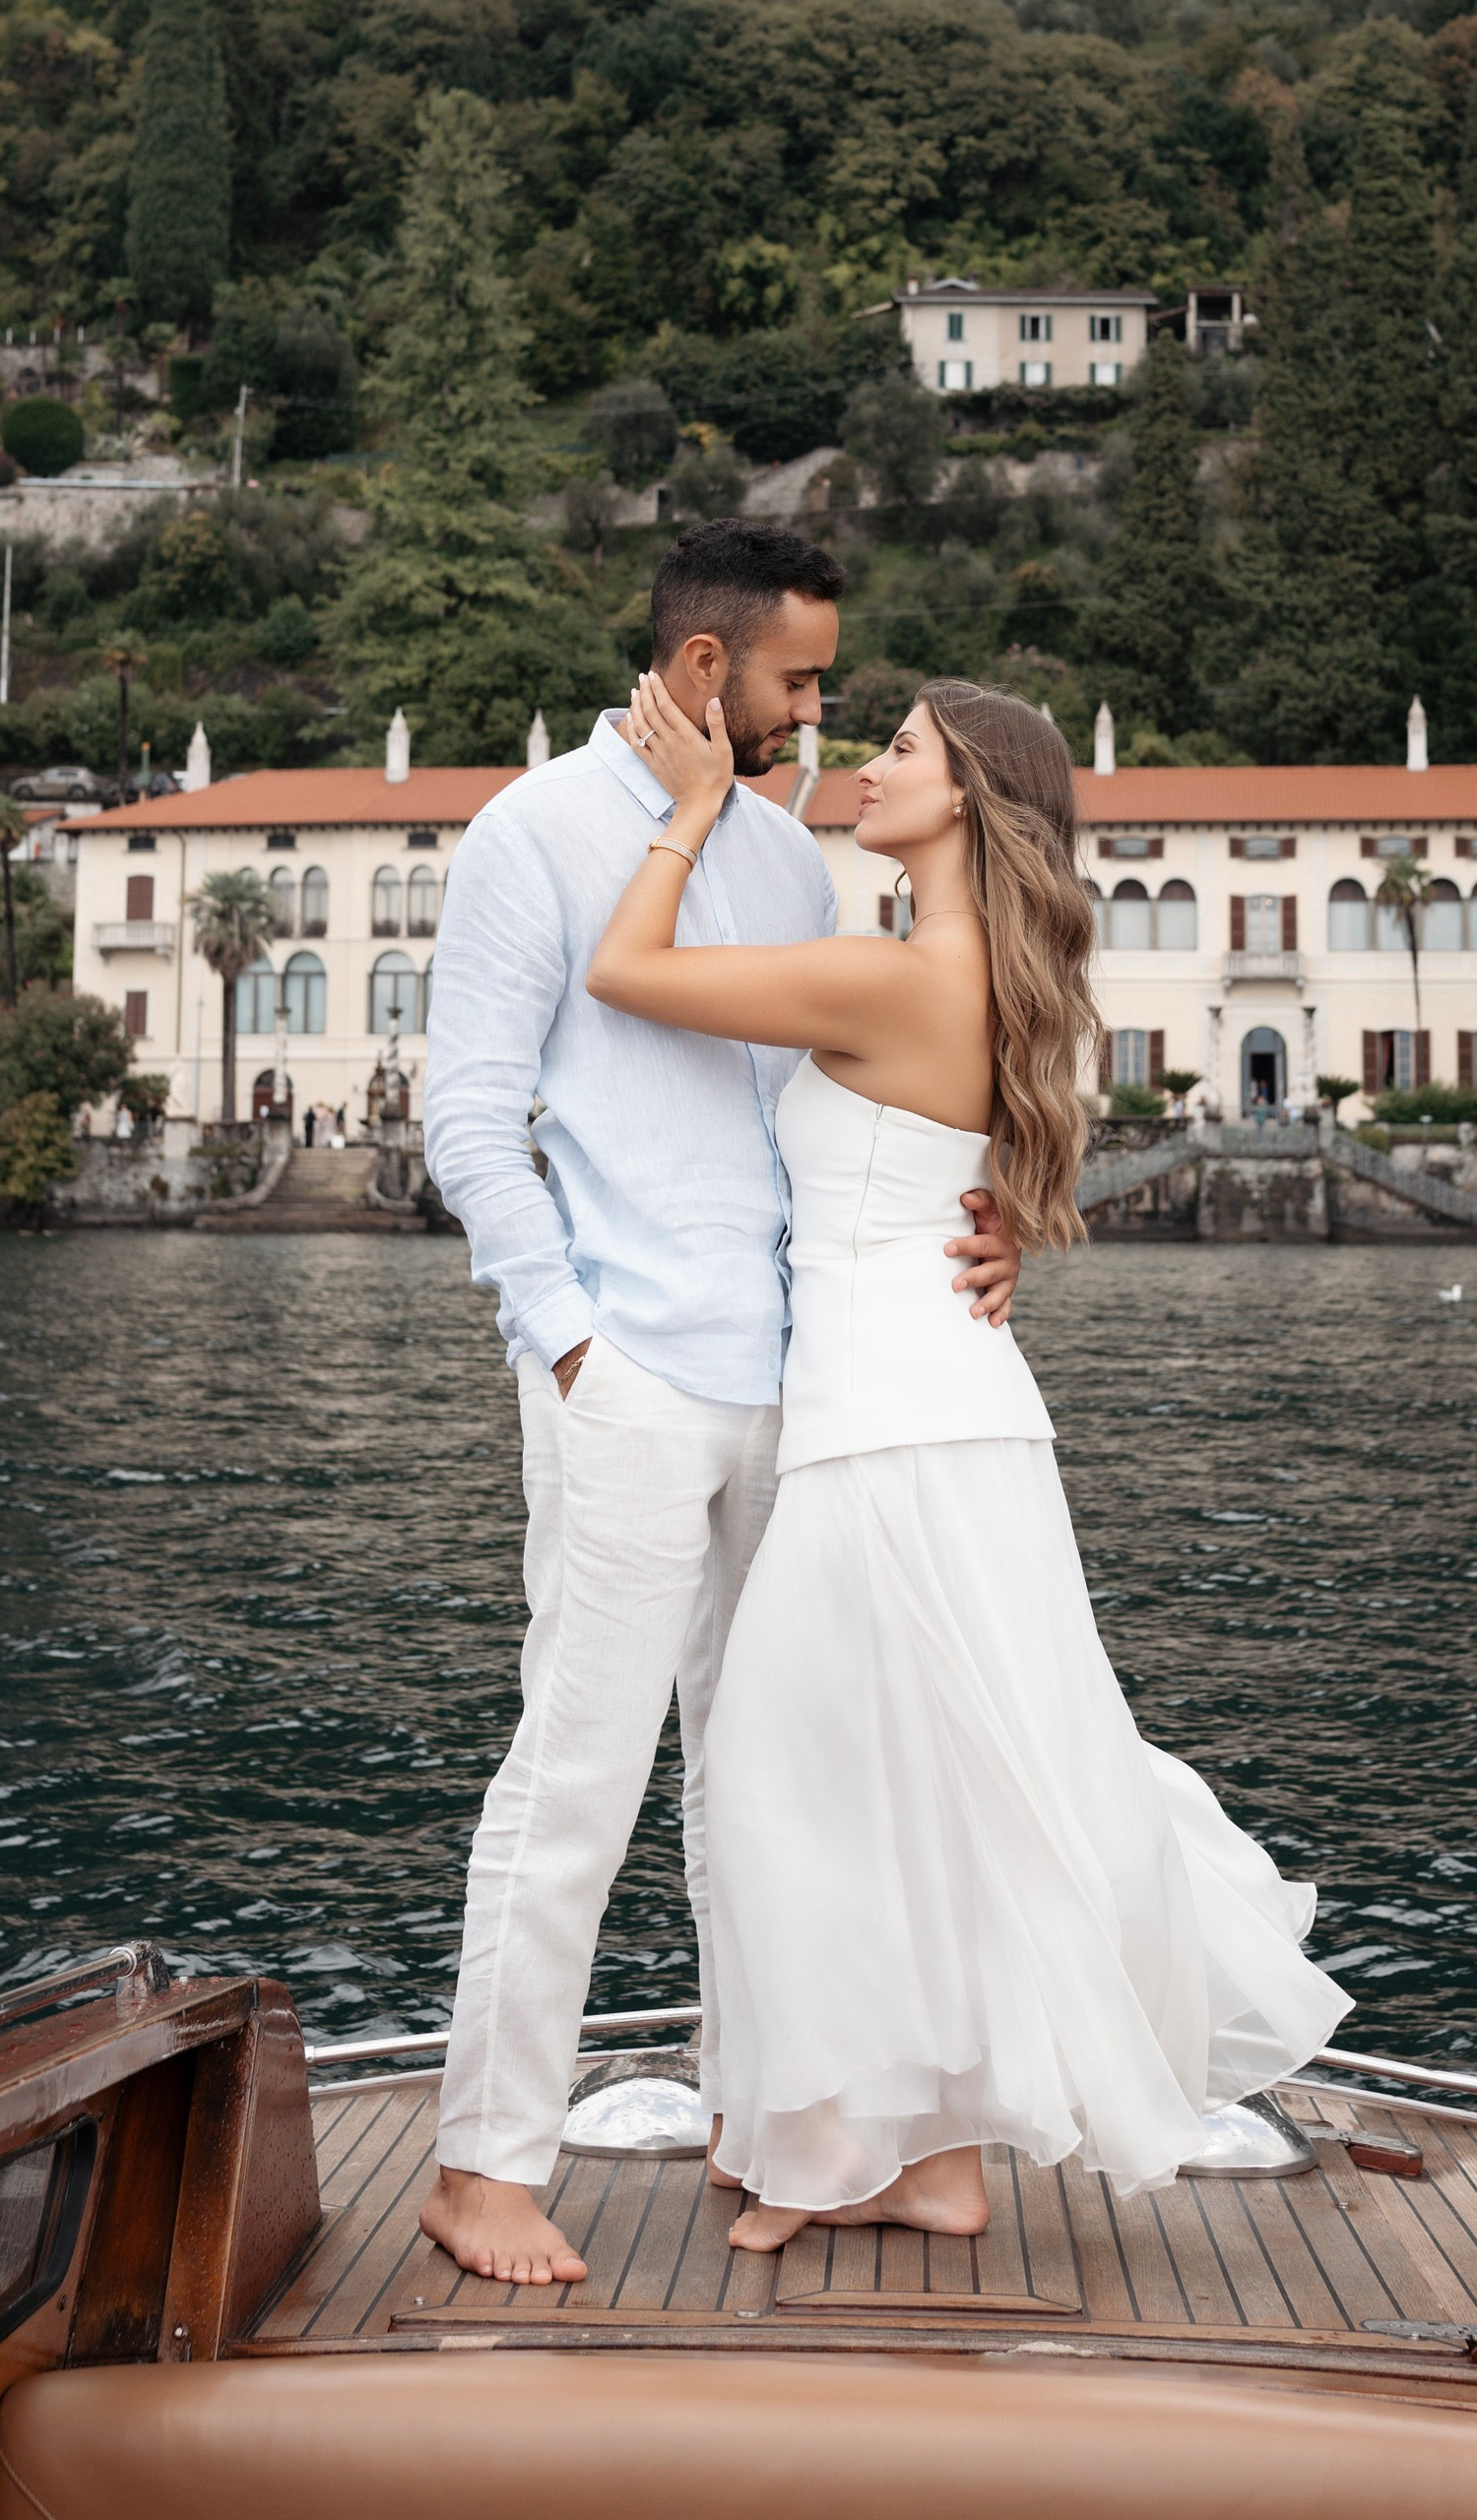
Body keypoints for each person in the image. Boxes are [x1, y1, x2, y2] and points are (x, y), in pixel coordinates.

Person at [588, 672, 1351, 2251]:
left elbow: (625, 971)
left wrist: (689, 815)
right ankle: (923, 2158)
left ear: (969, 802)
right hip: (927, 1408)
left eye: (902, 751)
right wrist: (998, 1234)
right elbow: (948, 1179)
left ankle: (865, 2148)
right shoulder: (967, 977)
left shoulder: (895, 975)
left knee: (791, 1780)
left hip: (899, 1432)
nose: (868, 767)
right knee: (910, 1786)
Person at [418, 524, 1024, 2287]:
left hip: (798, 1386)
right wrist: (569, 1341)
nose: (817, 710)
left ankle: (767, 2122)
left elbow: (829, 1112)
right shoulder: (528, 835)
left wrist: (973, 1224)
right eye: (800, 681)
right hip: (629, 1371)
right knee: (581, 1773)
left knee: (770, 1784)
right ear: (707, 674)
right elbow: (471, 1117)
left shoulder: (778, 858)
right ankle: (481, 2162)